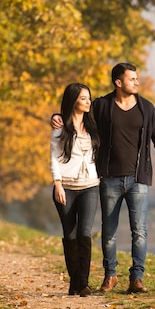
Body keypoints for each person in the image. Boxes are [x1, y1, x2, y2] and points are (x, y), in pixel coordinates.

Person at [52, 62, 155, 293]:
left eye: (136, 78)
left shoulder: (147, 109)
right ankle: (110, 276)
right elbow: (79, 118)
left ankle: (136, 278)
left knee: (139, 230)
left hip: (138, 179)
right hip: (108, 178)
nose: (137, 82)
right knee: (108, 231)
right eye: (132, 79)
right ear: (118, 82)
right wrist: (57, 116)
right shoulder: (102, 105)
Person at [50, 83, 100, 297]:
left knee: (84, 233)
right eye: (83, 99)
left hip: (90, 186)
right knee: (69, 235)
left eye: (89, 98)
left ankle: (84, 284)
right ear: (73, 101)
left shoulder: (94, 124)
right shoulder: (60, 128)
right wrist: (57, 183)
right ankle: (75, 282)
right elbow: (54, 157)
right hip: (66, 187)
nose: (88, 102)